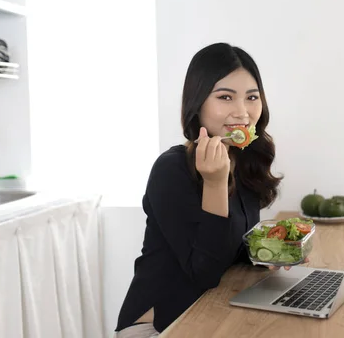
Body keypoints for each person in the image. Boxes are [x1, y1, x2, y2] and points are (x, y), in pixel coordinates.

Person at [114, 43, 285, 337]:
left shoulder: (241, 160)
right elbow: (204, 272)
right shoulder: (171, 169)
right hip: (159, 326)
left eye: (252, 97)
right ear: (198, 103)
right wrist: (215, 184)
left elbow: (232, 247)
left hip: (210, 312)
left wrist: (275, 252)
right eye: (225, 97)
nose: (243, 112)